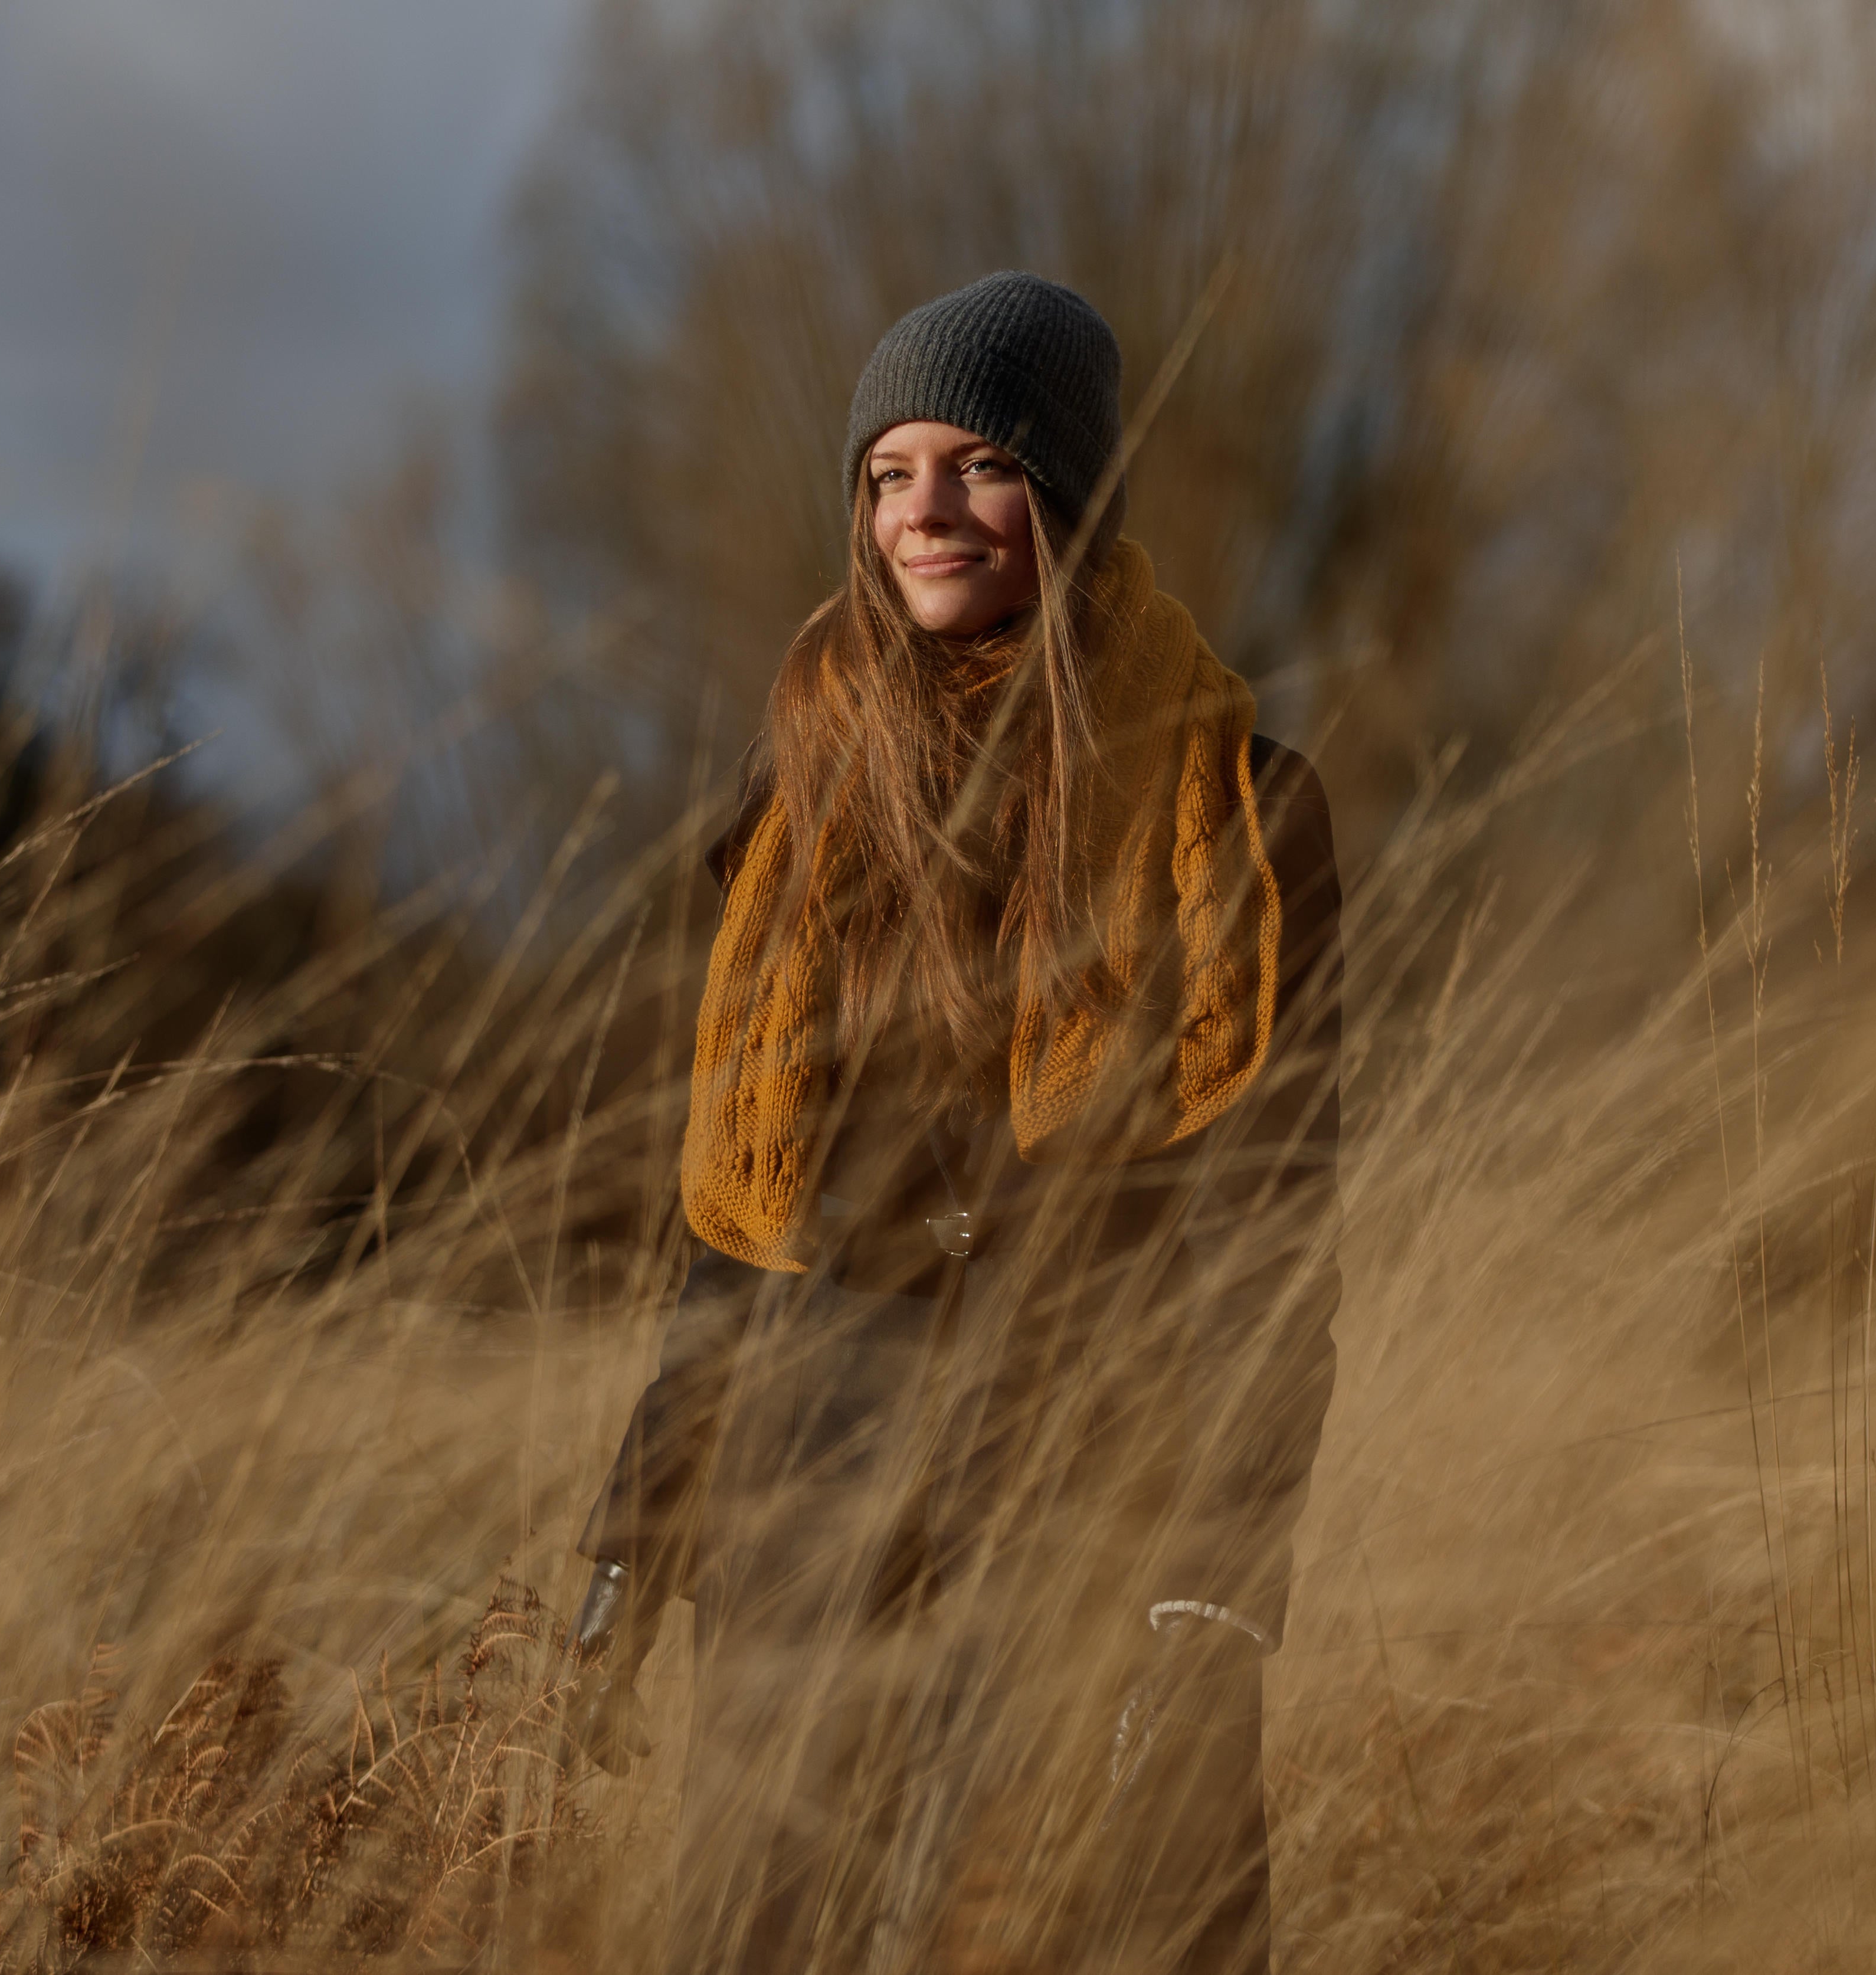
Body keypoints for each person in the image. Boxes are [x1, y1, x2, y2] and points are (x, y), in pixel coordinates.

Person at [564, 271, 1345, 1973]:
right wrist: (635, 1538)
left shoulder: (1242, 801)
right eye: (884, 472)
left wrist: (1217, 1586)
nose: (922, 512)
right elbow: (729, 1233)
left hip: (1097, 1501)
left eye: (976, 463)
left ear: (1064, 490)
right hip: (806, 1506)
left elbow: (1272, 1231)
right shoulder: (793, 799)